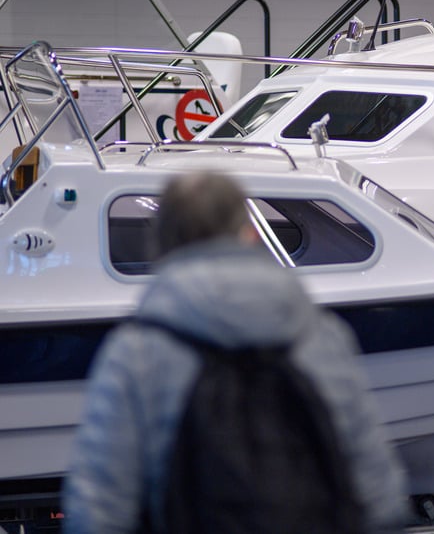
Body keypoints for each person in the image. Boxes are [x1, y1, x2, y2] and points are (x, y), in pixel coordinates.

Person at [64, 170, 407, 533]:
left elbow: (99, 507)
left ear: (161, 245)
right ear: (251, 234)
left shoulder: (136, 352)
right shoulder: (322, 335)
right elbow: (379, 492)